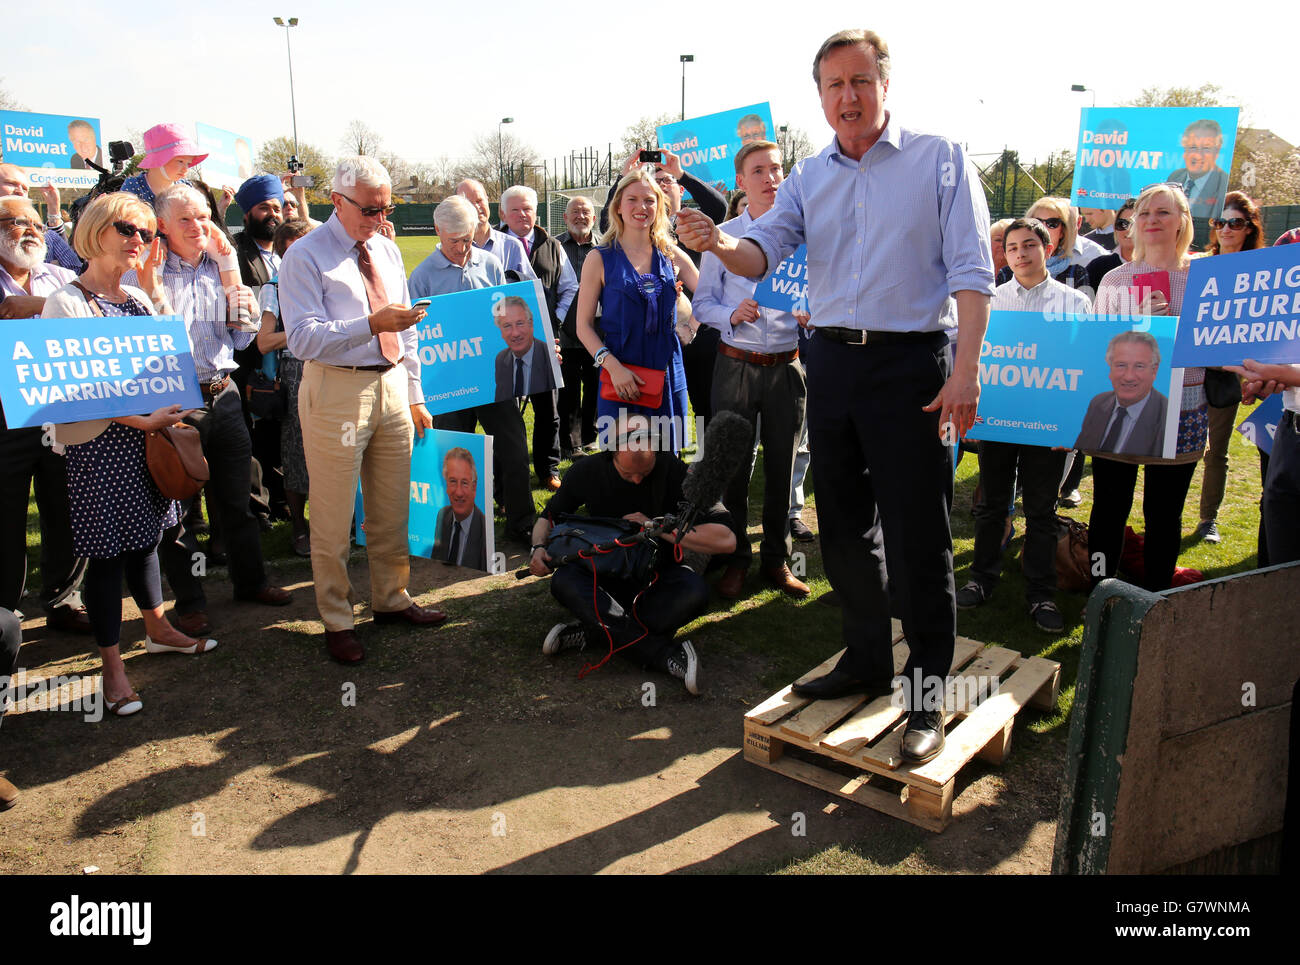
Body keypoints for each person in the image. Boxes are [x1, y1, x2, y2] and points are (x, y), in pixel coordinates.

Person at [676, 28, 994, 764]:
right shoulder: (809, 176)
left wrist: (966, 370)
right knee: (845, 524)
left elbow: (972, 274)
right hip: (832, 366)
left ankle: (924, 698)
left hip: (914, 365)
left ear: (884, 84)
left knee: (919, 534)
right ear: (819, 97)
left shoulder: (940, 159)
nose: (847, 97)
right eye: (832, 86)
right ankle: (864, 657)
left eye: (860, 82)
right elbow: (763, 251)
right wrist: (717, 244)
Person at [41, 192, 221, 716]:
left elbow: (168, 360)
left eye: (146, 234)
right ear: (97, 231)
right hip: (98, 449)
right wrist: (141, 418)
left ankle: (159, 628)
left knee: (147, 543)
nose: (140, 242)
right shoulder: (66, 303)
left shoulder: (137, 299)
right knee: (105, 558)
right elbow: (74, 387)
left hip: (145, 444)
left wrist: (153, 289)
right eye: (129, 230)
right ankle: (113, 670)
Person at [279, 156, 447, 664]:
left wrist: (415, 393)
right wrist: (371, 324)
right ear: (337, 200)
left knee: (392, 505)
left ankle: (391, 600)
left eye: (385, 208)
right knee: (332, 514)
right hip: (336, 391)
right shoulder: (304, 256)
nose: (379, 218)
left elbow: (410, 327)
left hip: (392, 386)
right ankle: (336, 618)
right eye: (370, 210)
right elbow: (303, 338)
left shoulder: (388, 250)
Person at [120, 182, 291, 635]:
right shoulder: (141, 272)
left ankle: (251, 582)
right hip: (173, 401)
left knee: (239, 498)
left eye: (203, 217)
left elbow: (240, 339)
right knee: (176, 507)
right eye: (185, 219)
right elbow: (153, 346)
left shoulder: (220, 266)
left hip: (224, 392)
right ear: (162, 226)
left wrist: (236, 287)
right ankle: (190, 601)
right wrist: (153, 291)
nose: (198, 226)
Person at [528, 415, 736, 694]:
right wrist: (538, 548)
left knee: (694, 592)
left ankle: (598, 629)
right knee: (563, 581)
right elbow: (547, 517)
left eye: (645, 473)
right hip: (604, 572)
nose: (637, 480)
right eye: (628, 475)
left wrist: (659, 528)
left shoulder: (674, 470)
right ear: (610, 454)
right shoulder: (586, 471)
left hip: (655, 577)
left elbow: (727, 539)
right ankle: (663, 654)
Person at [960, 218, 1092, 632]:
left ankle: (1040, 593)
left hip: (1049, 428)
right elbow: (979, 361)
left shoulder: (1075, 303)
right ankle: (982, 579)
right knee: (992, 506)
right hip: (999, 421)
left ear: (1047, 249)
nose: (1020, 253)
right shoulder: (990, 300)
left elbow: (1082, 367)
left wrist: (1070, 428)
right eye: (1013, 246)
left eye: (1029, 245)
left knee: (1041, 511)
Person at [694, 140, 808, 600]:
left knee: (783, 468)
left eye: (777, 169)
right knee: (734, 468)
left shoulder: (804, 235)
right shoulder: (722, 236)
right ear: (741, 181)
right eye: (759, 170)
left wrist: (810, 311)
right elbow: (702, 303)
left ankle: (776, 562)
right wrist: (730, 314)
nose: (771, 178)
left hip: (787, 368)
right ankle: (736, 558)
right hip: (735, 365)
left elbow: (822, 294)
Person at [1089, 183, 1206, 591]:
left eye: (1163, 212)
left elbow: (1218, 345)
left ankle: (1155, 593)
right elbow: (1095, 350)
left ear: (1182, 222)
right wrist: (1133, 325)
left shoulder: (1205, 279)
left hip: (1183, 407)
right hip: (1121, 409)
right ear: (1134, 223)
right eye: (1145, 213)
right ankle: (1099, 588)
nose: (1152, 220)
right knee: (1108, 508)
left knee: (1164, 513)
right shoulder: (1116, 281)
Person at [409, 195, 536, 546]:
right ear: (438, 232)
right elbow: (414, 336)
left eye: (469, 239)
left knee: (513, 448)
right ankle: (455, 530)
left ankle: (521, 521)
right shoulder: (421, 278)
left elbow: (505, 314)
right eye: (455, 242)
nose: (464, 249)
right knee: (453, 458)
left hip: (491, 379)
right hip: (448, 387)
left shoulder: (491, 263)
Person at [0, 197, 90, 633]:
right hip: (4, 420)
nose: (32, 230)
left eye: (37, 221)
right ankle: (5, 611)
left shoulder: (63, 277)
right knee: (6, 516)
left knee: (66, 508)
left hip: (61, 413)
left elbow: (91, 320)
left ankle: (63, 598)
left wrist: (36, 307)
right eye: (18, 222)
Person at [576, 169, 699, 454]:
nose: (641, 207)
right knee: (622, 462)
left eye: (649, 200)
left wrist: (690, 327)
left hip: (667, 372)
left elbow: (709, 292)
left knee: (668, 460)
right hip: (620, 374)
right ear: (618, 206)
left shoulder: (669, 253)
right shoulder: (599, 258)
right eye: (632, 199)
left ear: (659, 206)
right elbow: (583, 326)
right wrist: (613, 367)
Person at [600, 149, 727, 423]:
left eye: (666, 181)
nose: (659, 186)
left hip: (695, 334)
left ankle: (702, 465)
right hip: (643, 345)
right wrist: (625, 179)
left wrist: (682, 172)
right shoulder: (618, 243)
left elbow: (719, 208)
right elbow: (608, 220)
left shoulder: (692, 223)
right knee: (637, 436)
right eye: (654, 181)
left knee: (702, 409)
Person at [1193, 191, 1267, 544]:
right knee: (1178, 447)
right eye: (1219, 222)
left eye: (1235, 222)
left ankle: (1209, 519)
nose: (1225, 229)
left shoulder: (1262, 271)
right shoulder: (1196, 264)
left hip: (1230, 372)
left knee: (1216, 450)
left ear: (1250, 228)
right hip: (1192, 367)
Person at [500, 184, 576, 489]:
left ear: (536, 212)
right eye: (515, 209)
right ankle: (507, 473)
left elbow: (570, 286)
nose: (522, 214)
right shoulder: (491, 244)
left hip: (546, 342)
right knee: (506, 412)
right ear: (503, 213)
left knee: (549, 409)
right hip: (506, 341)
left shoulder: (553, 245)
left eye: (527, 208)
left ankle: (548, 469)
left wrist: (552, 320)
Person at [256, 219, 316, 557]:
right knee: (297, 454)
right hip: (296, 373)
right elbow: (264, 342)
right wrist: (313, 333)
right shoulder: (274, 287)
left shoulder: (327, 277)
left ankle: (345, 522)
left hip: (333, 367)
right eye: (295, 249)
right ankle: (299, 528)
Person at [1073, 333, 1169, 458]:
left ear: (1154, 370)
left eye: (1139, 366)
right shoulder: (1098, 403)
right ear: (1110, 368)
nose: (1129, 376)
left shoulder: (1166, 415)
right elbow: (1084, 443)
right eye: (1121, 365)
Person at [556, 196, 600, 456]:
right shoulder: (555, 247)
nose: (580, 216)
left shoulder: (606, 246)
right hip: (566, 333)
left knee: (595, 388)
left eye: (585, 212)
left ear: (594, 218)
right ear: (565, 217)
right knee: (568, 391)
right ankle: (570, 444)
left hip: (598, 333)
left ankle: (590, 435)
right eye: (575, 212)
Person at [997, 196, 1097, 295]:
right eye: (1037, 222)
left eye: (1052, 223)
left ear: (1063, 231)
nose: (1043, 228)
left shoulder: (1076, 274)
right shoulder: (1007, 274)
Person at [0, 163, 83, 272]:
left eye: (25, 188)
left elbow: (75, 271)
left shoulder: (45, 235)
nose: (20, 191)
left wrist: (52, 272)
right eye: (11, 184)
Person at [455, 179, 534, 279]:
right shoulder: (452, 251)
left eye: (479, 201)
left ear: (487, 200)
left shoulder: (512, 247)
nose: (476, 207)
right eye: (469, 203)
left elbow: (531, 290)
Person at [431, 447, 488, 570]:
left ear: (474, 487)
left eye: (464, 483)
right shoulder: (443, 516)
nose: (458, 492)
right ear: (445, 484)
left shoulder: (484, 528)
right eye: (452, 481)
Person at [493, 294, 557, 400]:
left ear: (531, 324)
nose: (515, 333)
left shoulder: (547, 354)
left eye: (520, 323)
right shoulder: (501, 359)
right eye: (507, 326)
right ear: (501, 331)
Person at [1168, 119, 1229, 219]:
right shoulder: (1174, 177)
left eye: (1206, 148)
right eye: (1193, 147)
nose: (1198, 155)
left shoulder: (1224, 184)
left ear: (1217, 151)